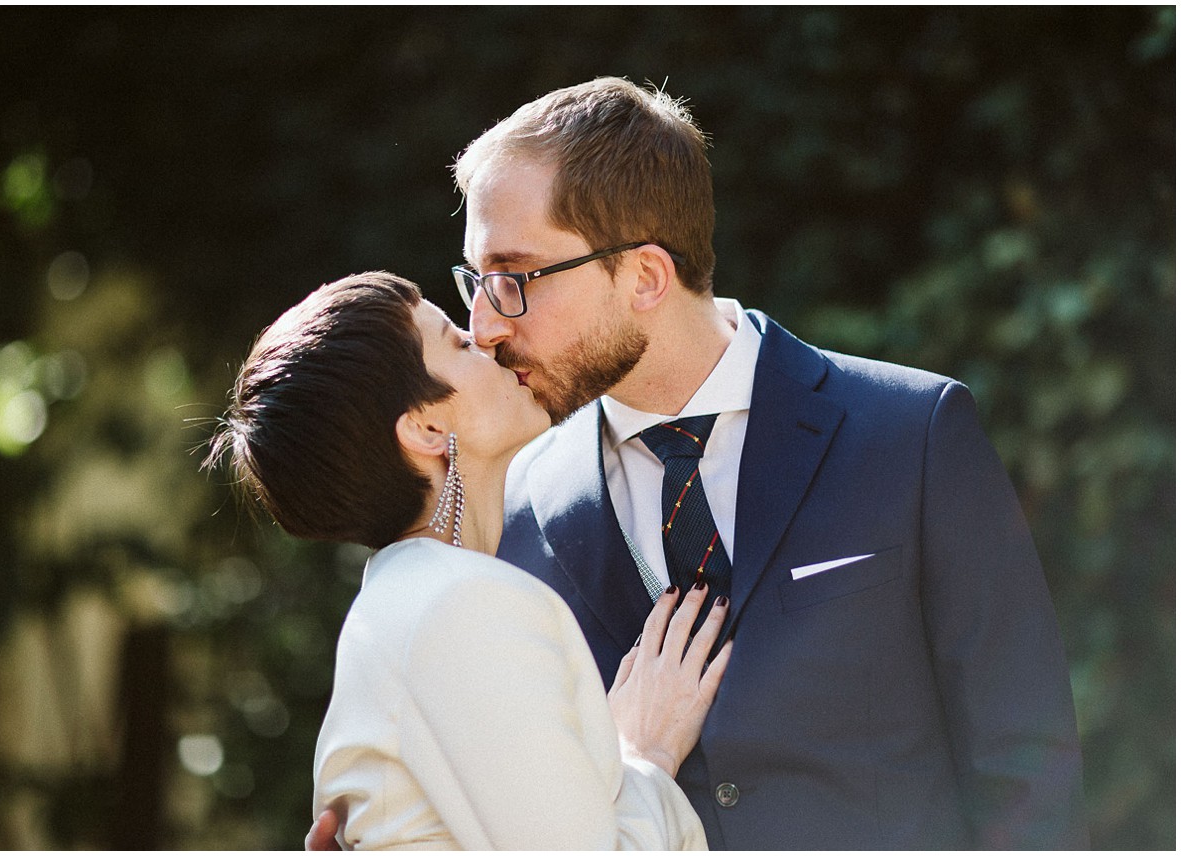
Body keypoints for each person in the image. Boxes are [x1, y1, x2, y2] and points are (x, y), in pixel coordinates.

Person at [308, 77, 1089, 850]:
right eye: (477, 281)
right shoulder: (508, 512)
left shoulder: (912, 435)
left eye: (515, 280)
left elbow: (1026, 764)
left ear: (646, 276)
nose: (484, 326)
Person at [210, 272, 733, 850]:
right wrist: (647, 757)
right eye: (457, 342)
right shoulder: (460, 607)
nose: (485, 338)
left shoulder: (408, 603)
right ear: (426, 426)